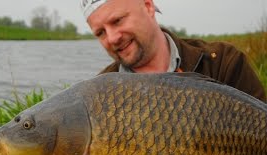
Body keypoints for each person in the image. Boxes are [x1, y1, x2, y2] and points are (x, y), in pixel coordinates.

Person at [80, 0, 266, 102]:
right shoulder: (96, 96)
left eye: (117, 20)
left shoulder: (224, 62)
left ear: (148, 6)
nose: (112, 38)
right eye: (100, 32)